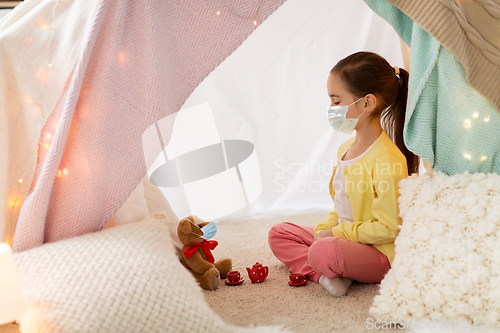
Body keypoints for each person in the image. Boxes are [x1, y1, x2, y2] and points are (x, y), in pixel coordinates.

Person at [268, 51, 419, 297]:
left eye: (336, 101)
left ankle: (330, 266)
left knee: (322, 251)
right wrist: (325, 229)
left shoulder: (387, 159)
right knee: (279, 233)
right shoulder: (345, 148)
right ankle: (327, 275)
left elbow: (389, 228)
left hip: (378, 251)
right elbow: (342, 208)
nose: (331, 108)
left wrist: (335, 234)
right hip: (346, 237)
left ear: (367, 103)